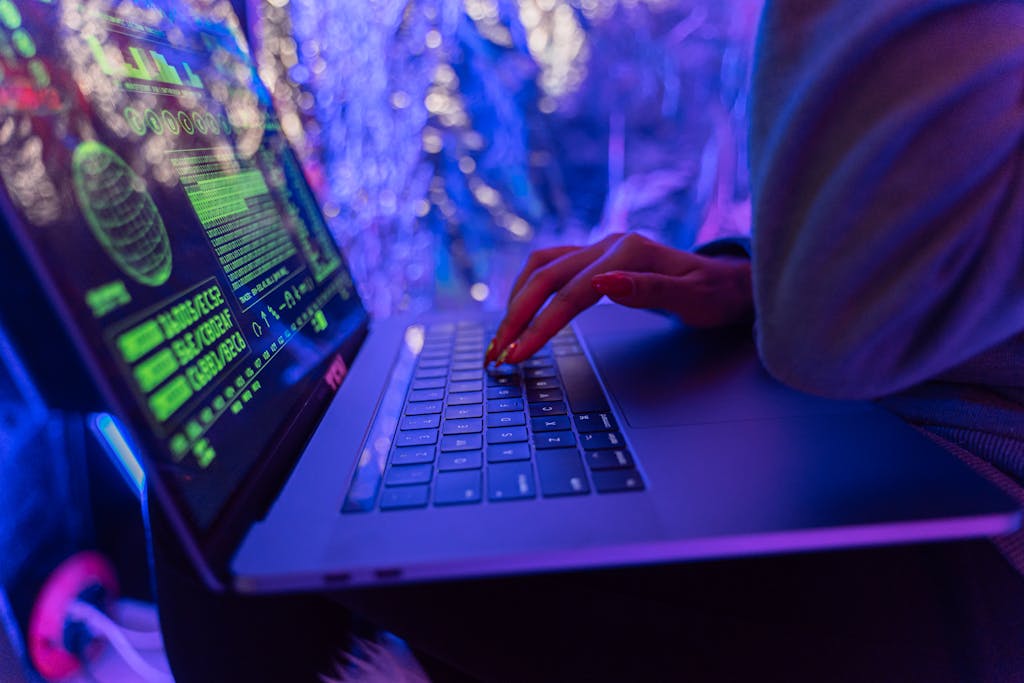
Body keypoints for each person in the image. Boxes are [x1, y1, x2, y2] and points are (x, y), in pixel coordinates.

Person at [339, 1, 1024, 680]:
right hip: (889, 417)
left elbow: (841, 336)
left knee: (353, 550)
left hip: (984, 523)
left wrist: (819, 296)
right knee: (360, 526)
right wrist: (752, 281)